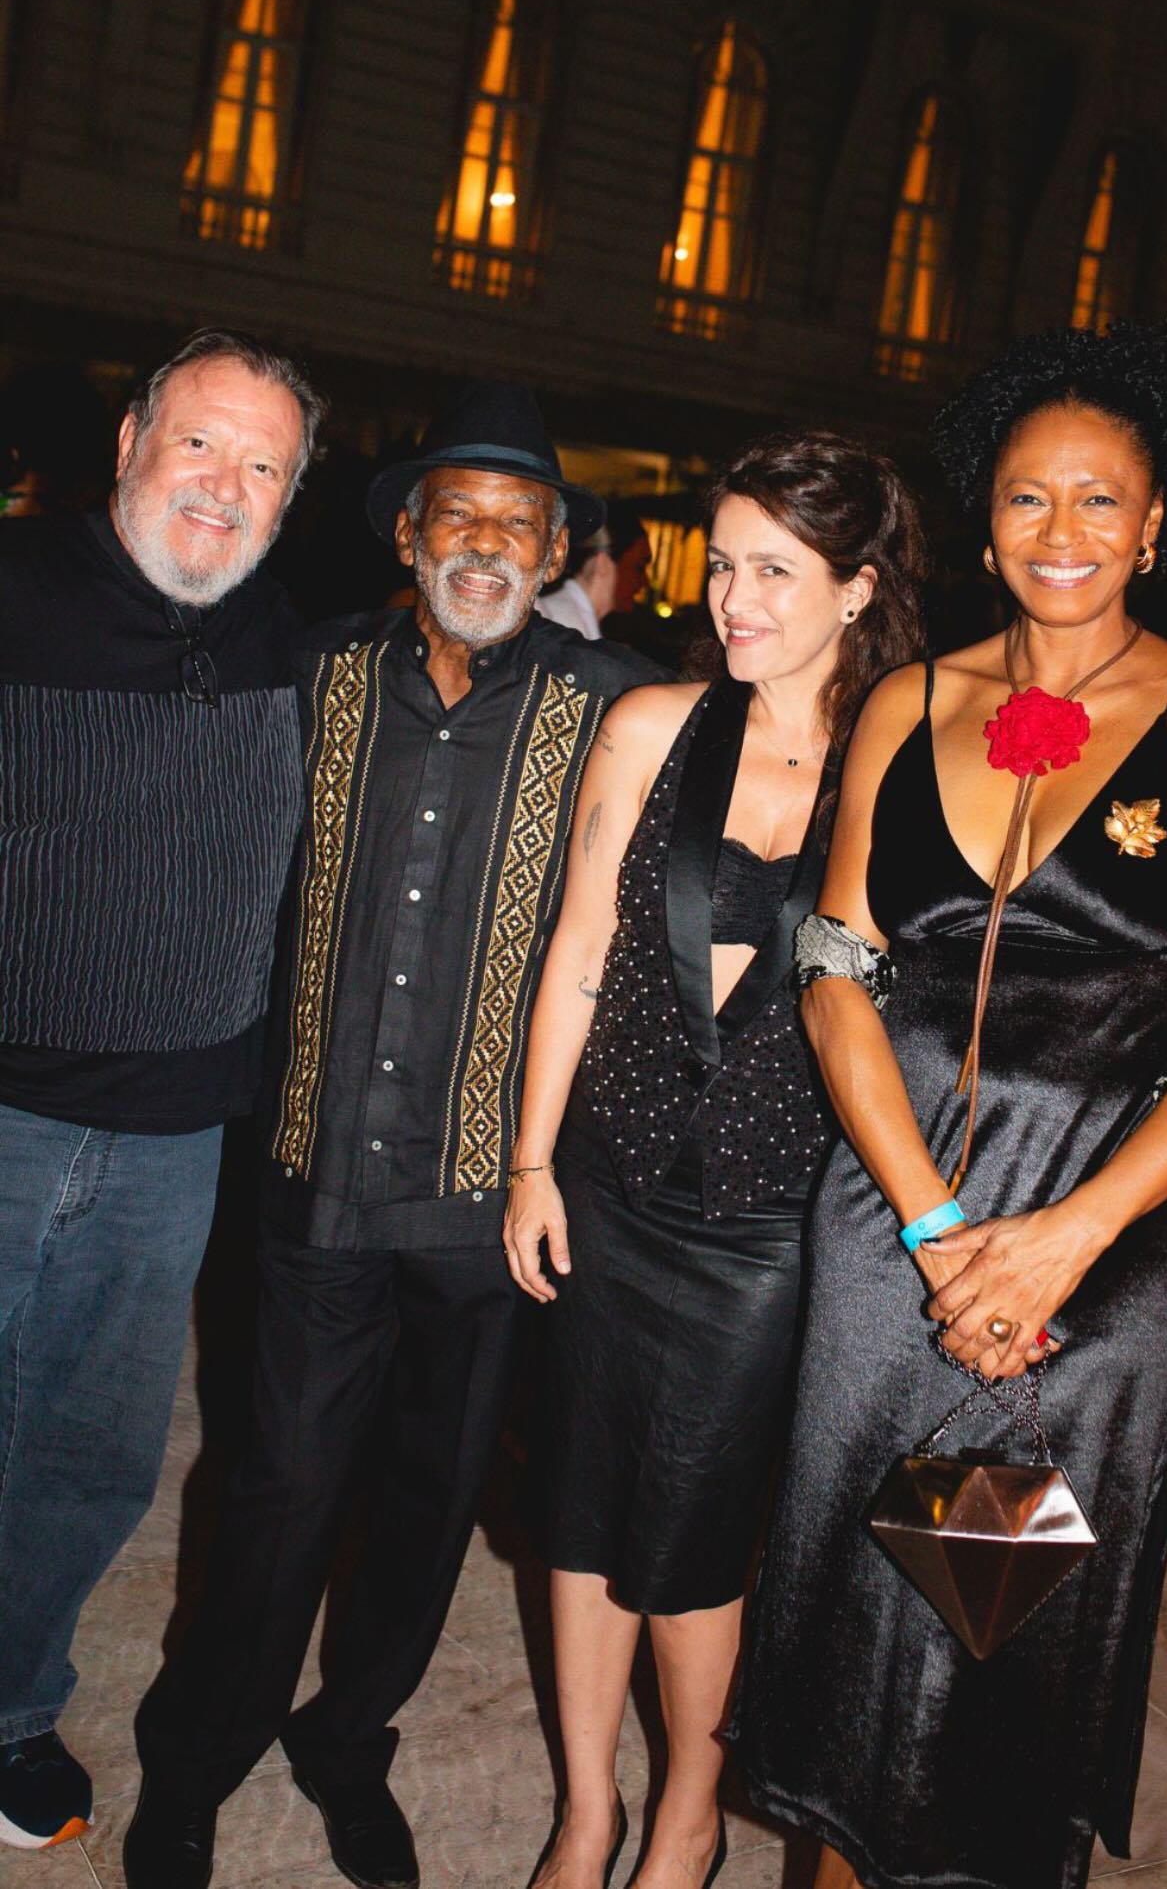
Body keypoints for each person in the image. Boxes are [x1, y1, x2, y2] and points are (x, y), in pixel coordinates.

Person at [729, 323, 1167, 1889]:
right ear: (984, 520)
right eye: (1030, 499)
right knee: (855, 1612)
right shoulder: (906, 700)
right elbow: (838, 968)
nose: (1062, 532)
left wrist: (1060, 1245)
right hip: (897, 1223)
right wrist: (931, 1224)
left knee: (985, 1635)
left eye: (1100, 502)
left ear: (1157, 520)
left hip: (1100, 1258)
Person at [126, 382, 659, 1889]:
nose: (486, 542)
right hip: (314, 1182)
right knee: (279, 1488)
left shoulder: (616, 705)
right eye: (460, 513)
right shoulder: (314, 671)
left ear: (556, 545)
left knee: (427, 1509)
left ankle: (347, 1740)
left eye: (520, 521)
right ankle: (198, 1756)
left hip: (495, 1207)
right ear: (410, 532)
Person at [505, 432, 927, 1889]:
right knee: (572, 1511)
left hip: (763, 1231)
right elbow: (573, 956)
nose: (732, 598)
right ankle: (584, 1808)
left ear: (858, 587)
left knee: (690, 1536)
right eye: (723, 560)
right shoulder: (650, 725)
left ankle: (689, 1802)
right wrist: (529, 1163)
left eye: (773, 571)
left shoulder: (904, 767)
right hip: (608, 1189)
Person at [0, 329, 322, 1853]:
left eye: (264, 466)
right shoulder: (10, 584)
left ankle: (7, 1706)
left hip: (171, 1145)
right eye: (201, 443)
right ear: (131, 434)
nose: (223, 487)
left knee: (87, 1457)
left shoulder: (291, 643)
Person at [538, 524, 618, 638]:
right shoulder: (566, 624)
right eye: (638, 567)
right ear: (603, 564)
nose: (643, 580)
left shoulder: (572, 618)